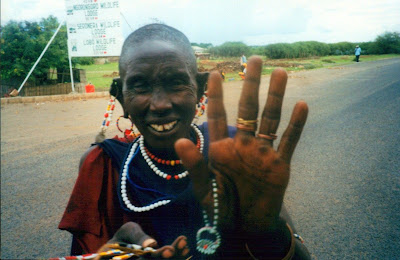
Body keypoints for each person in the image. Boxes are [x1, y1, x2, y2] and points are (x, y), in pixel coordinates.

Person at [59, 23, 310, 259]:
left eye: (176, 83)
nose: (159, 104)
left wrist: (268, 233)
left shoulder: (234, 151)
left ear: (200, 88)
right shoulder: (104, 166)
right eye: (140, 85)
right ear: (121, 97)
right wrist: (114, 253)